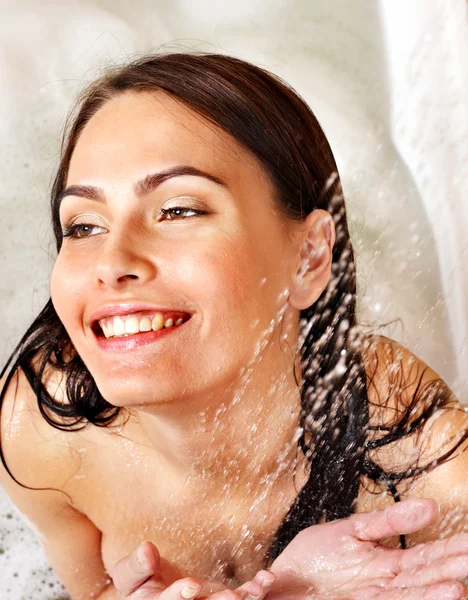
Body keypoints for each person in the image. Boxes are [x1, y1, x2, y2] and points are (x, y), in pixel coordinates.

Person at [0, 52, 467, 600]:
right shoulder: (45, 431)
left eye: (178, 211)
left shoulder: (420, 462)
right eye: (83, 225)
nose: (111, 261)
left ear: (309, 258)